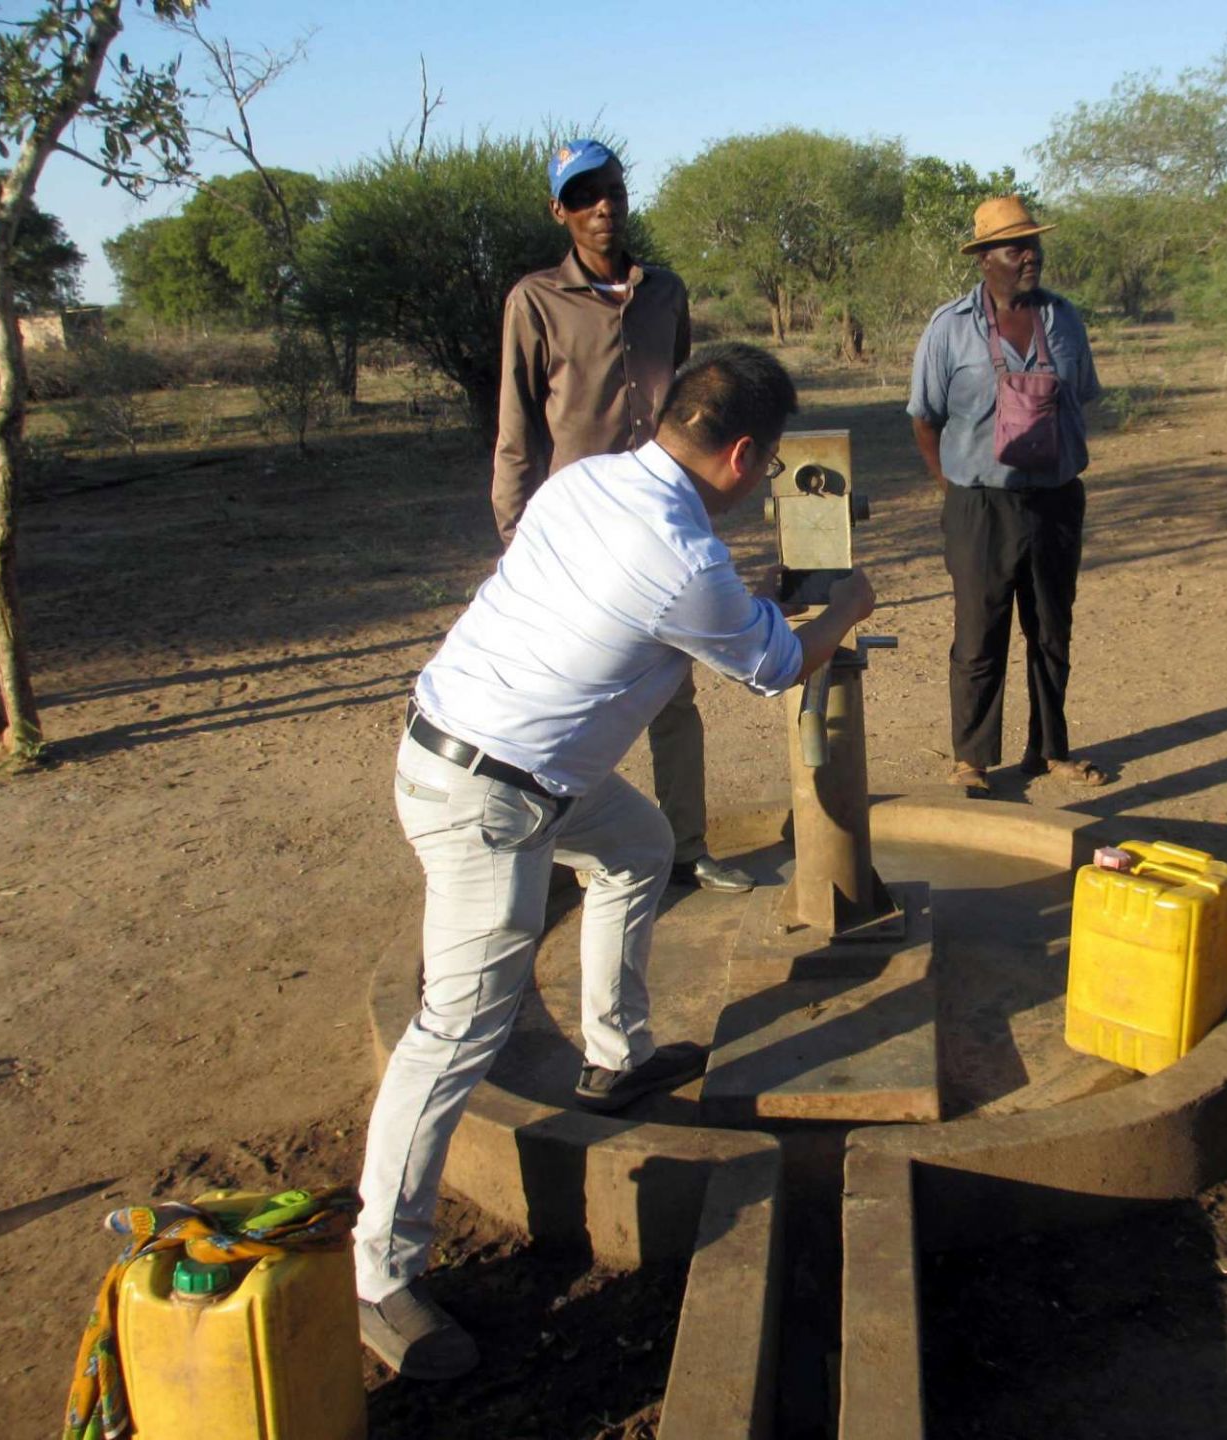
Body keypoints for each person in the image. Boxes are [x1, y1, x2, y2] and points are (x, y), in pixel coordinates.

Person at [356, 344, 877, 1378]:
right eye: (767, 466)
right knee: (457, 1025)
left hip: (495, 748)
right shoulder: (686, 562)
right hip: (488, 792)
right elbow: (774, 666)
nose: (765, 482)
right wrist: (850, 606)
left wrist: (758, 602)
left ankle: (615, 1056)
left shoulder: (586, 478)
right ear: (739, 454)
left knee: (639, 849)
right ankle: (379, 1272)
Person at [492, 137, 753, 894]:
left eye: (610, 190)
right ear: (559, 211)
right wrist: (517, 544)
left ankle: (685, 847)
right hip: (574, 540)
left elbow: (684, 409)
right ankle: (571, 855)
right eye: (582, 196)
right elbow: (516, 435)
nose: (601, 207)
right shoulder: (535, 301)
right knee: (579, 698)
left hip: (663, 527)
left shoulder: (664, 293)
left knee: (674, 694)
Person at [907, 196, 1105, 798]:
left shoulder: (1065, 319)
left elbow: (1084, 398)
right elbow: (924, 417)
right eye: (1016, 248)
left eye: (1034, 245)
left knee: (1051, 631)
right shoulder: (949, 327)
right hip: (979, 507)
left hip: (1055, 502)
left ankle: (1048, 750)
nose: (1030, 257)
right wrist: (953, 489)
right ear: (985, 260)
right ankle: (972, 759)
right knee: (979, 634)